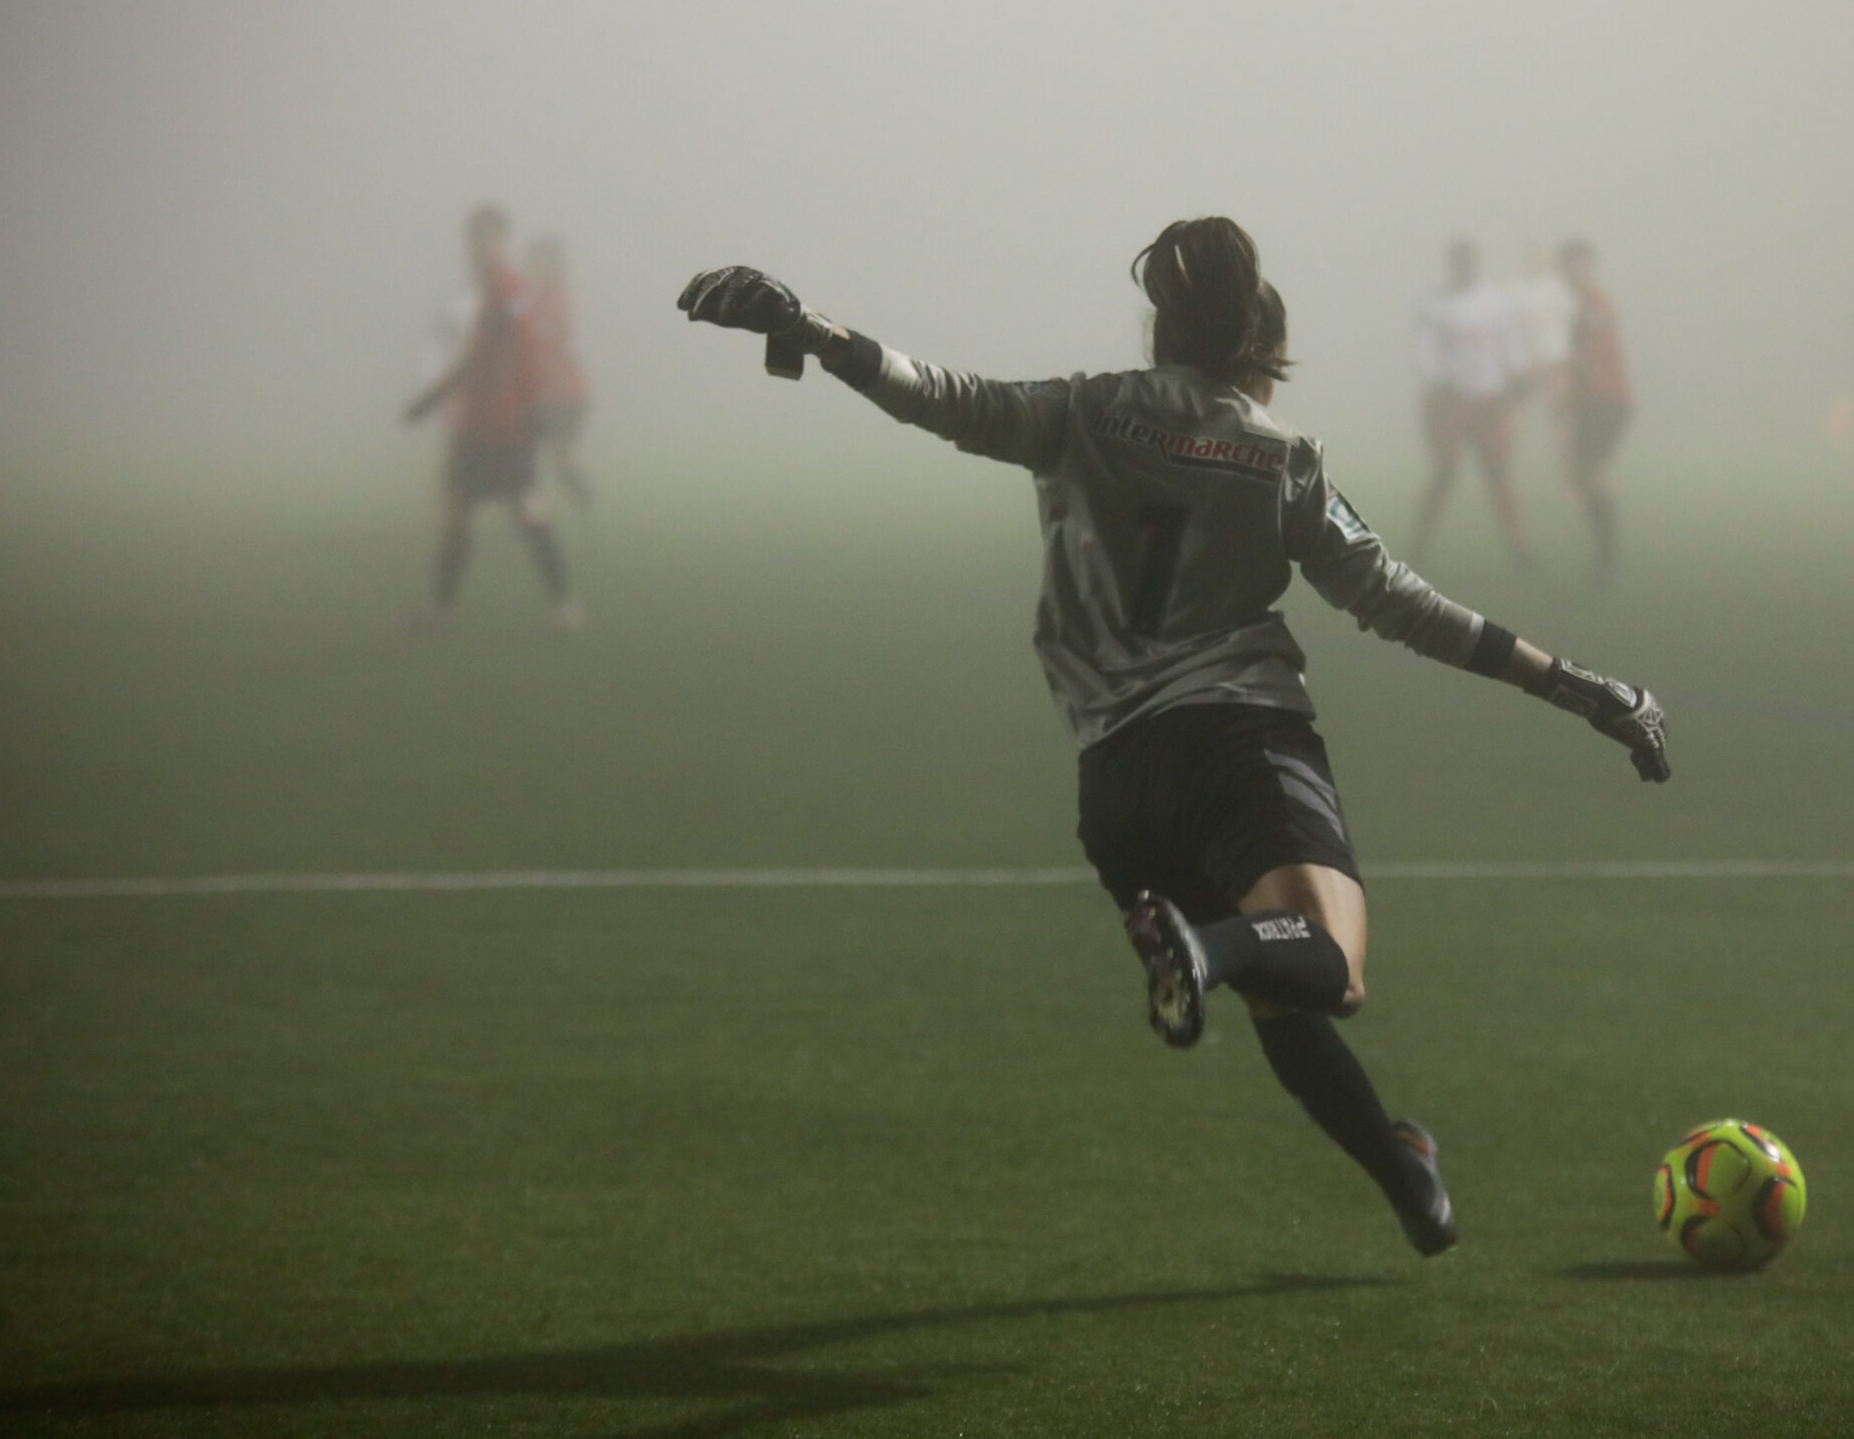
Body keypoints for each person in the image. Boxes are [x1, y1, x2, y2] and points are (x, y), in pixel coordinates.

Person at [676, 217, 1671, 1256]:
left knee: (1282, 1003)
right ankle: (1205, 949)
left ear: (1159, 331)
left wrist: (810, 329)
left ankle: (1404, 1175)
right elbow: (1403, 605)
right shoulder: (1276, 459)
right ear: (1256, 353)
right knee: (1326, 963)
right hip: (1237, 746)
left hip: (1113, 783)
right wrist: (1581, 688)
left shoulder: (1080, 412)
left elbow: (937, 395)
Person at [403, 205, 582, 631]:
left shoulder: (508, 289)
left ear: (501, 242)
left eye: (487, 238)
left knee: (526, 510)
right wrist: (436, 399)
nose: (478, 247)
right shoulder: (492, 290)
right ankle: (443, 611)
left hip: (504, 425)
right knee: (458, 513)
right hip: (478, 423)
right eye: (473, 239)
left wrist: (533, 405)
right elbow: (480, 360)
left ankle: (565, 607)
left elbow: (526, 353)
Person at [1410, 239, 1534, 565]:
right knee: (1444, 472)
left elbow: (1512, 343)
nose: (1463, 268)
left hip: (1489, 399)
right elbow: (1425, 350)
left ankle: (1519, 546)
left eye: (1467, 261)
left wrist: (1518, 377)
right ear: (1451, 265)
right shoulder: (1435, 304)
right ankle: (1419, 545)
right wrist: (1438, 381)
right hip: (1450, 400)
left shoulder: (1495, 302)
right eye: (1458, 262)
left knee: (1499, 473)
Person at [1556, 240, 1634, 578]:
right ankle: (1605, 558)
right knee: (1581, 475)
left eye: (1579, 264)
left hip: (1607, 400)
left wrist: (1574, 383)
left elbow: (1590, 356)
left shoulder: (1594, 304)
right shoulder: (1583, 305)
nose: (1573, 272)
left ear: (1590, 266)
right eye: (1568, 265)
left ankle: (1607, 561)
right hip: (1592, 401)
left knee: (1592, 474)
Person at [521, 236, 594, 509]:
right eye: (535, 265)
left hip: (566, 395)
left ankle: (582, 504)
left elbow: (559, 339)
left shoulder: (561, 302)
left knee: (556, 460)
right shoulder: (528, 301)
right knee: (529, 460)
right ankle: (530, 515)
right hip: (540, 394)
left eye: (546, 265)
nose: (539, 271)